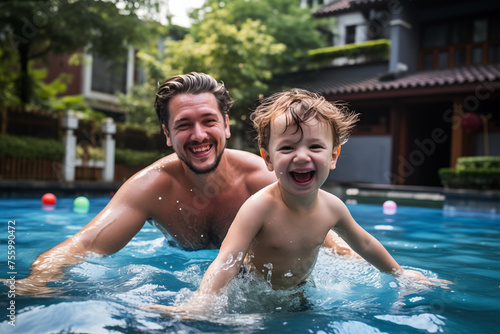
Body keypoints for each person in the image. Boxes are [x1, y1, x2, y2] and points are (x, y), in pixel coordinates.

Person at [4, 73, 351, 295]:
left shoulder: (261, 180)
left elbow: (329, 240)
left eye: (208, 121)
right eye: (184, 125)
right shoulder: (149, 189)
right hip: (174, 272)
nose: (199, 135)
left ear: (226, 126)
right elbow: (82, 246)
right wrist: (35, 281)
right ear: (168, 135)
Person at [147, 88, 450, 315]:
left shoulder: (333, 207)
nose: (302, 156)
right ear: (268, 158)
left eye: (315, 146)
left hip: (299, 293)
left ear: (333, 156)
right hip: (252, 295)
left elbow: (365, 244)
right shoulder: (258, 207)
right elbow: (227, 260)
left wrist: (400, 274)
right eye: (288, 146)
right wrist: (202, 302)